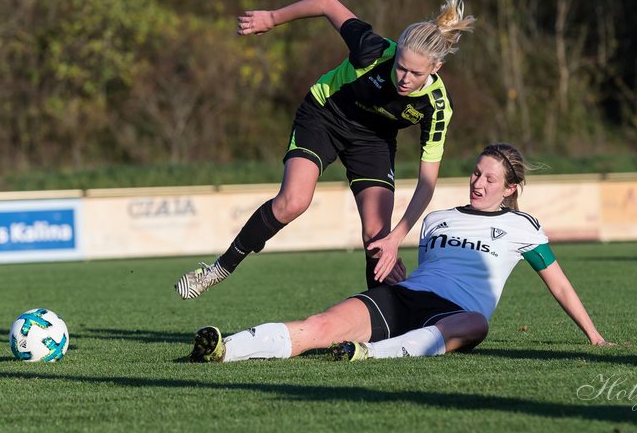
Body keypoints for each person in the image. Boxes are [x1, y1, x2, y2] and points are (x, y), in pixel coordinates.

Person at [175, 0, 479, 300]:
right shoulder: (371, 49)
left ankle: (378, 324)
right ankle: (218, 269)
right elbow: (326, 3)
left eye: (416, 73)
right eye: (401, 67)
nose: (404, 79)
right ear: (396, 52)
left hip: (373, 139)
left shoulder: (437, 106)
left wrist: (395, 239)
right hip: (325, 114)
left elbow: (427, 183)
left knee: (377, 238)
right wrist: (271, 18)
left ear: (436, 68)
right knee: (293, 201)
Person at [189, 143, 612, 363]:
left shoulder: (524, 226)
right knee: (318, 326)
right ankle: (225, 348)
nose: (478, 182)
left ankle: (370, 354)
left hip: (452, 314)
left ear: (511, 187)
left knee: (476, 323)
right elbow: (427, 271)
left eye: (489, 178)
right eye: (476, 172)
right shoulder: (437, 219)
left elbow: (559, 284)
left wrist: (593, 336)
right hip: (406, 298)